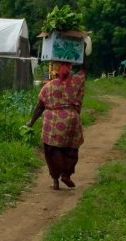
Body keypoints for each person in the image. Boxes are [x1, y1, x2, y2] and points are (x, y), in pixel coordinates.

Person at [26, 61, 86, 190]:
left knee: (51, 151)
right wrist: (82, 53)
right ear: (70, 68)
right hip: (71, 121)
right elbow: (83, 71)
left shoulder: (49, 86)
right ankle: (66, 174)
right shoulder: (76, 82)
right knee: (70, 149)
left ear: (55, 70)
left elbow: (40, 106)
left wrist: (31, 122)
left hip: (52, 123)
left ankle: (55, 180)